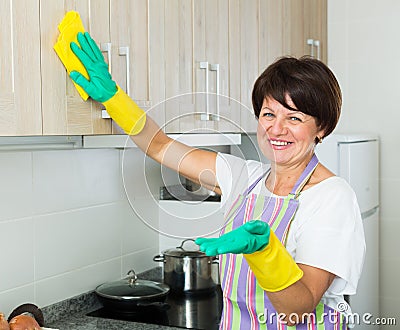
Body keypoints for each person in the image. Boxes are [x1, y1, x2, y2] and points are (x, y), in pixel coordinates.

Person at [66, 32, 365, 329]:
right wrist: (113, 97)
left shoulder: (331, 198)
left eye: (294, 118)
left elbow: (296, 311)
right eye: (268, 114)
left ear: (321, 127)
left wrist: (265, 253)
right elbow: (159, 145)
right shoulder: (242, 178)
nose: (276, 129)